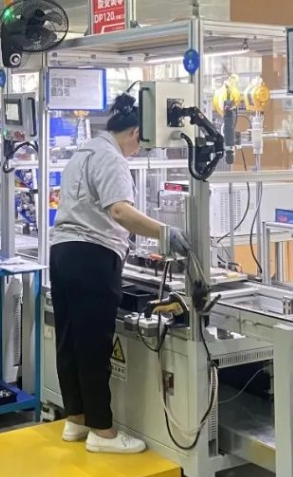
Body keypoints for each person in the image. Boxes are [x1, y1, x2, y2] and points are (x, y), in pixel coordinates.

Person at [49, 93, 189, 454]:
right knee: (95, 346)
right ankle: (103, 432)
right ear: (135, 132)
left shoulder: (84, 151)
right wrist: (165, 233)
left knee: (70, 342)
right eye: (141, 144)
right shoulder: (112, 159)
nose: (138, 151)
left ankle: (76, 419)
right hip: (92, 258)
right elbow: (120, 212)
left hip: (62, 253)